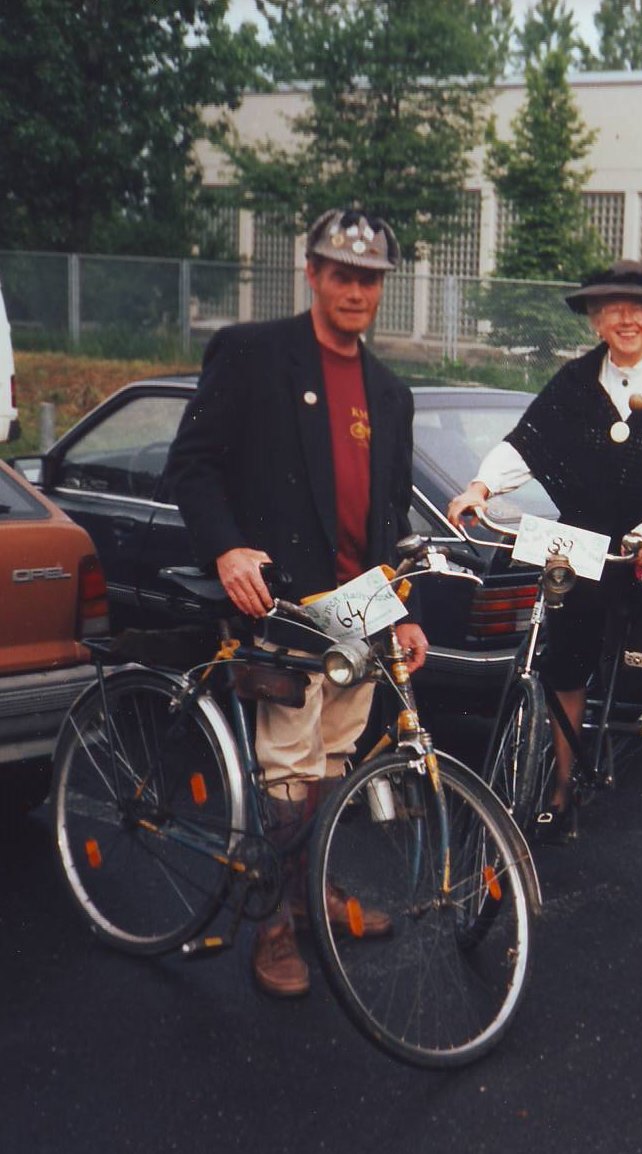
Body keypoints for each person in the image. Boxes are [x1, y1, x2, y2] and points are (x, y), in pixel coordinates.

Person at [164, 207, 429, 997]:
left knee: (334, 758)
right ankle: (275, 923)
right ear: (311, 274)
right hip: (279, 601)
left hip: (353, 609)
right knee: (286, 765)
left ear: (383, 288)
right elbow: (193, 466)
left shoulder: (390, 391)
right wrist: (226, 546)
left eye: (369, 279)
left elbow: (387, 518)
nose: (355, 290)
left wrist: (397, 610)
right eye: (340, 274)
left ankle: (315, 895)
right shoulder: (253, 355)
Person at [446, 261, 642, 843]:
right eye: (613, 308)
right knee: (563, 651)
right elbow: (527, 441)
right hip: (586, 542)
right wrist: (480, 487)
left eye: (638, 308)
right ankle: (562, 784)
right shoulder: (574, 381)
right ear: (595, 320)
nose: (626, 318)